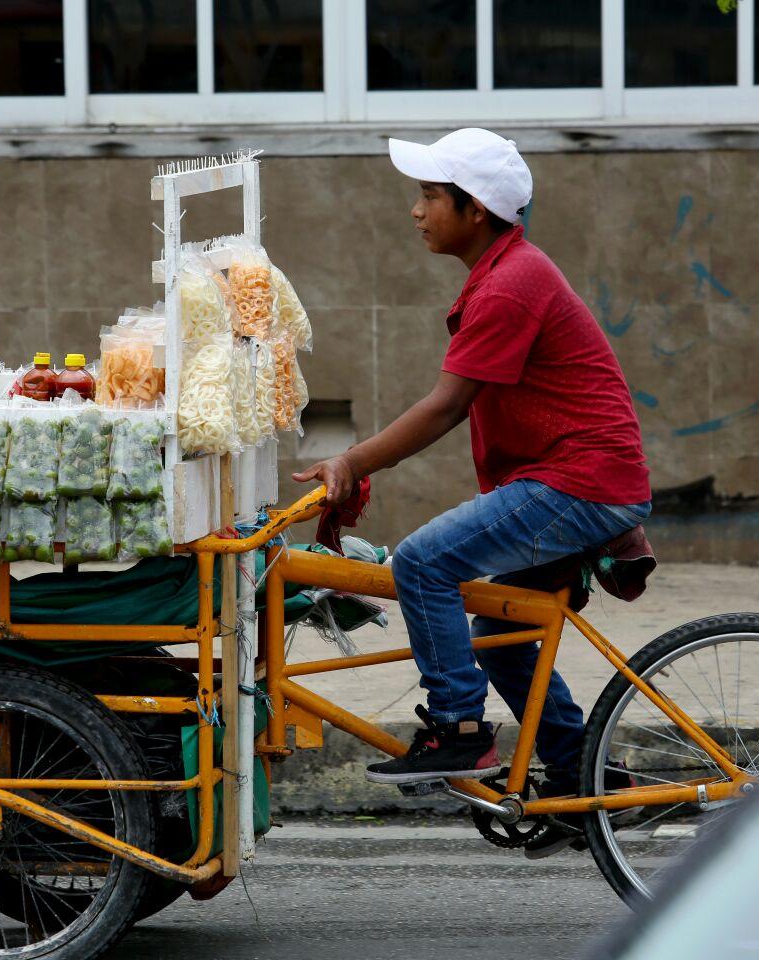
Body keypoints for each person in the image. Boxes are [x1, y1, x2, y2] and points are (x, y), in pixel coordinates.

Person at [291, 128, 652, 858]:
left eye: (429, 196)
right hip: (575, 480)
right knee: (500, 636)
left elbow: (445, 406)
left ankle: (458, 729)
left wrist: (352, 462)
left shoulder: (512, 285)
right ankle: (581, 774)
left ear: (476, 209)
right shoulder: (503, 275)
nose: (417, 211)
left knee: (423, 563)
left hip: (577, 482)